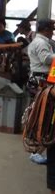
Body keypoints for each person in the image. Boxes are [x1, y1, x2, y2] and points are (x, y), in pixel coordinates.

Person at [26, 20, 55, 165]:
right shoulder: (41, 43)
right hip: (41, 81)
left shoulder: (39, 41)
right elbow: (46, 59)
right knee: (42, 117)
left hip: (38, 80)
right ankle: (35, 151)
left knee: (41, 116)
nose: (53, 32)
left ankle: (37, 148)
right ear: (46, 30)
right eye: (52, 29)